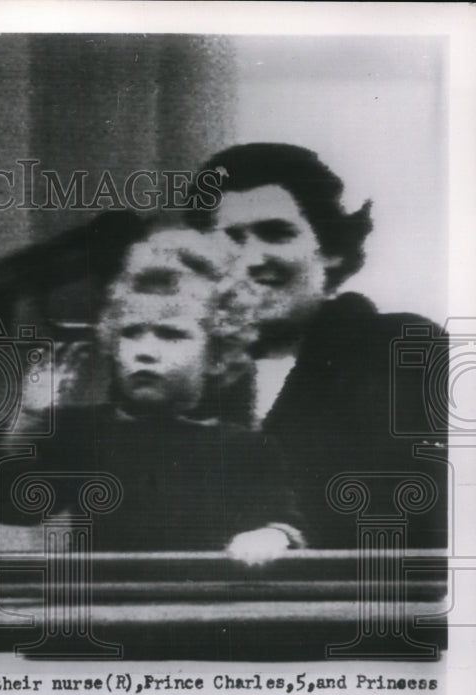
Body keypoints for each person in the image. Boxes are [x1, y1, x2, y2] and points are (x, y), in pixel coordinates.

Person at [0, 227, 303, 564]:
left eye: (170, 334)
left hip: (200, 607)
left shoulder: (244, 448)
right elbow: (1, 503)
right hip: (101, 607)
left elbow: (284, 522)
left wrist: (269, 536)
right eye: (131, 333)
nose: (145, 351)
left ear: (216, 354)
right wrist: (29, 418)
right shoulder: (85, 433)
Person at [186, 143, 447, 548]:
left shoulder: (403, 352)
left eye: (277, 233)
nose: (253, 258)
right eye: (231, 239)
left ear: (332, 250)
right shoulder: (183, 374)